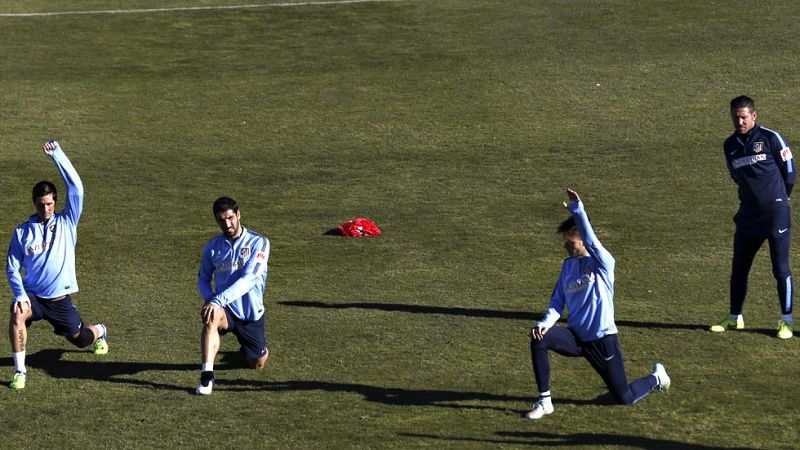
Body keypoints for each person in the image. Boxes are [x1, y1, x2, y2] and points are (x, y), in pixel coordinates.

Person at [526, 188, 670, 420]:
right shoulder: (567, 266)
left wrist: (578, 210)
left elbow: (592, 242)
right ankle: (545, 402)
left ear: (581, 239)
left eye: (569, 241)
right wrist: (544, 323)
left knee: (624, 397)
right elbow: (557, 302)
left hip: (603, 342)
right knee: (539, 337)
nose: (565, 246)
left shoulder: (603, 263)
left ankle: (657, 378)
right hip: (577, 339)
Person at [6, 140, 108, 390]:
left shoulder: (67, 221)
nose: (46, 209)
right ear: (34, 203)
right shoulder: (21, 233)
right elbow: (11, 267)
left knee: (80, 339)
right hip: (33, 297)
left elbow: (77, 187)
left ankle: (101, 330)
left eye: (50, 204)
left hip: (59, 301)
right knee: (17, 313)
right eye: (41, 205)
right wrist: (20, 294)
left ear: (56, 202)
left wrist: (57, 155)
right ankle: (20, 371)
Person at [711, 96, 796, 339]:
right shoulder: (730, 145)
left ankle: (786, 320)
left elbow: (789, 172)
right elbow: (735, 176)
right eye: (735, 117)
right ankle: (734, 316)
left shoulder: (771, 138)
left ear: (754, 116)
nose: (739, 121)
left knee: (780, 269)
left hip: (776, 213)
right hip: (748, 215)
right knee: (739, 268)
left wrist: (780, 199)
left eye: (744, 117)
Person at [196, 196, 270, 395]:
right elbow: (203, 278)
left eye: (230, 218)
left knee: (257, 363)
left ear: (238, 215)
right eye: (221, 220)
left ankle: (244, 351)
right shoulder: (212, 248)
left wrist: (217, 299)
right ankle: (207, 378)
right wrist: (210, 299)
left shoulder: (259, 243)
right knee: (211, 319)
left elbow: (249, 279)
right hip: (226, 310)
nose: (227, 224)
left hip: (250, 313)